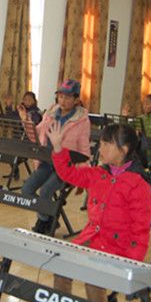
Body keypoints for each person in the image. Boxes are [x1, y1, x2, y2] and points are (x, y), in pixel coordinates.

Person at [41, 122, 151, 302]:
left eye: (106, 144)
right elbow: (69, 175)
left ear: (124, 149)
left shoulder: (138, 184)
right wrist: (58, 149)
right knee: (61, 266)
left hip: (116, 250)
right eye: (100, 143)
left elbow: (140, 230)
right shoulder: (99, 173)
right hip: (91, 241)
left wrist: (131, 266)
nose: (99, 148)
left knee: (93, 277)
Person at [22, 79, 91, 235]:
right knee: (26, 190)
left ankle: (43, 222)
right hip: (46, 162)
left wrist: (83, 175)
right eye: (60, 96)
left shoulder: (82, 120)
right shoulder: (51, 113)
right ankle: (49, 218)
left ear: (76, 100)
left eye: (67, 97)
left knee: (45, 191)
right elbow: (36, 134)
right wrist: (26, 121)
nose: (63, 100)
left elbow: (84, 149)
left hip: (66, 166)